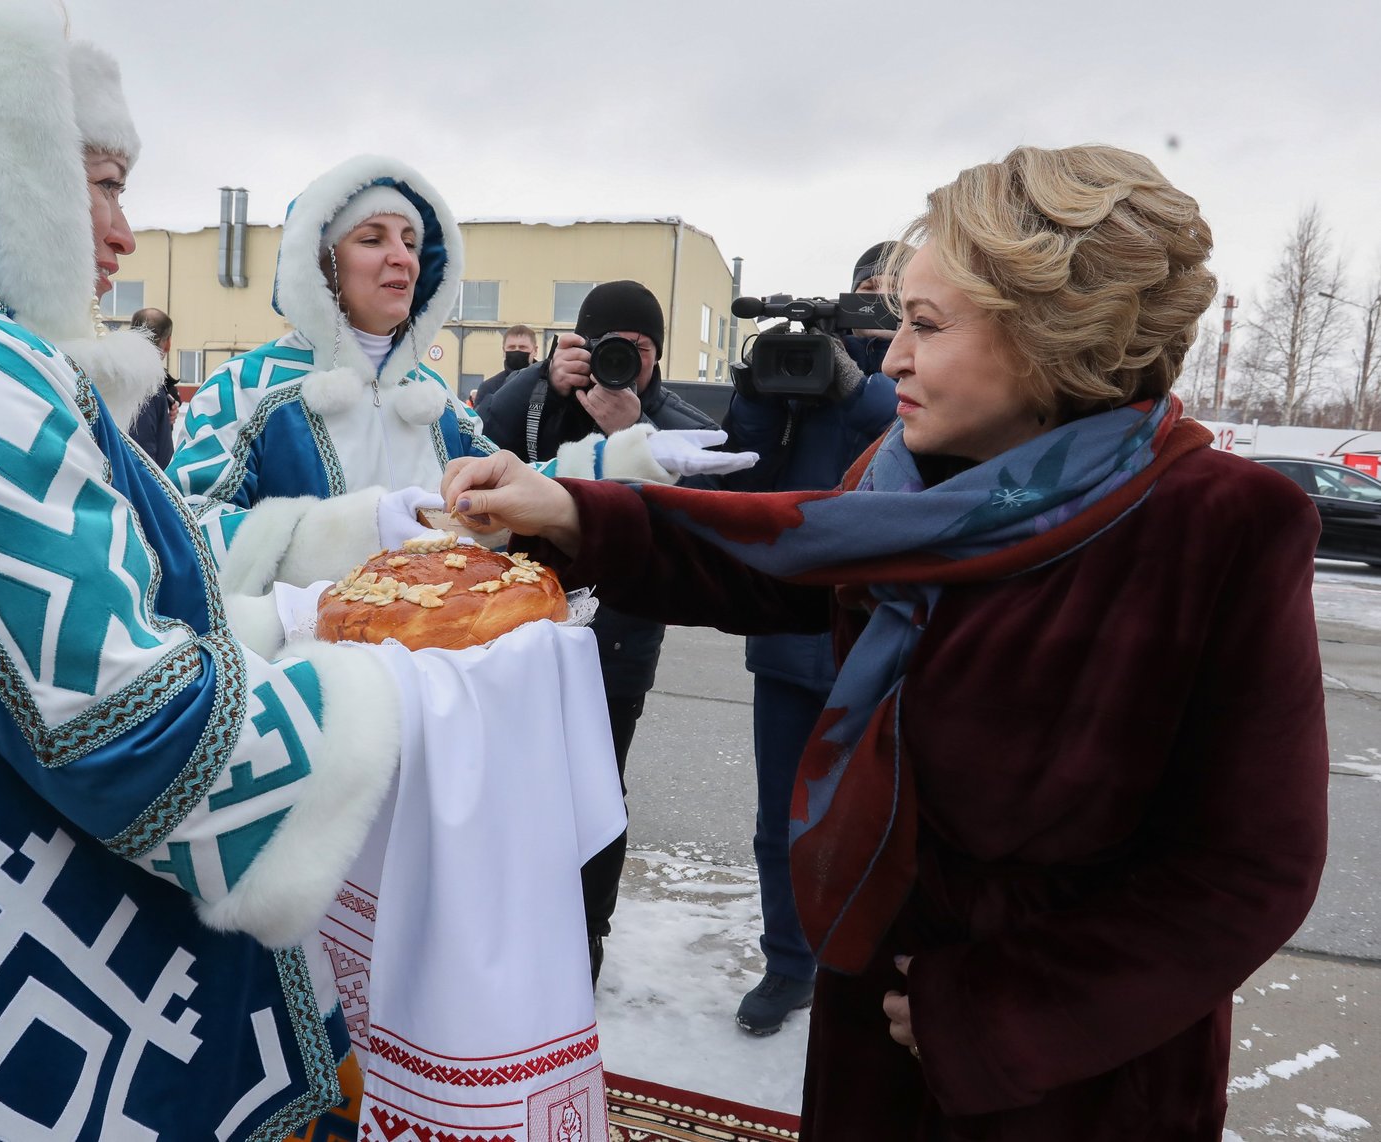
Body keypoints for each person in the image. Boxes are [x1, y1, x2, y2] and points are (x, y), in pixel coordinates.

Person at [441, 143, 1329, 1140]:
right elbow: (772, 550)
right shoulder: (907, 475)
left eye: (924, 325)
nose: (892, 357)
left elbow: (1249, 869)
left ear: (1050, 334)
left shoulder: (1218, 524)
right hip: (870, 1040)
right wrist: (567, 509)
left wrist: (996, 1012)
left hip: (1062, 1080)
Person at [0, 7, 467, 1138]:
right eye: (95, 181)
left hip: (21, 934)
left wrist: (288, 627)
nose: (124, 236)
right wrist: (402, 691)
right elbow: (121, 724)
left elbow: (127, 600)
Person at [166, 159, 733, 600]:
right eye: (372, 239)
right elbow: (185, 537)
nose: (403, 260)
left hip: (431, 667)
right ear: (319, 262)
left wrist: (623, 459)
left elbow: (507, 490)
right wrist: (360, 528)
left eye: (410, 243)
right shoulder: (246, 386)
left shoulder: (431, 397)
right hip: (307, 690)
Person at [476, 280, 720, 982]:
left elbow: (699, 520)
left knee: (595, 794)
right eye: (607, 347)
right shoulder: (537, 396)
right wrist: (538, 378)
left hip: (617, 644)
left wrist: (629, 434)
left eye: (638, 350)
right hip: (515, 632)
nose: (623, 362)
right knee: (510, 786)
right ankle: (513, 927)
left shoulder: (672, 417)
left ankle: (585, 938)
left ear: (658, 355)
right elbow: (472, 443)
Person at [723, 244, 901, 1035]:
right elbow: (746, 474)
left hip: (883, 634)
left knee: (877, 818)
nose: (877, 303)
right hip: (792, 633)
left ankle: (864, 965)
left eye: (893, 295)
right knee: (779, 822)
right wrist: (760, 387)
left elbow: (906, 440)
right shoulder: (808, 359)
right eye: (869, 289)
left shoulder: (917, 373)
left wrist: (858, 384)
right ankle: (788, 964)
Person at [125, 305, 180, 467]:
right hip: (147, 484)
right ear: (168, 343)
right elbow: (142, 451)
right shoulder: (145, 383)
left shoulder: (124, 373)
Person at [469, 322, 538, 408]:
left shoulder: (548, 384)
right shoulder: (489, 388)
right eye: (511, 347)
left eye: (522, 347)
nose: (517, 351)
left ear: (535, 351)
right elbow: (480, 420)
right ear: (504, 351)